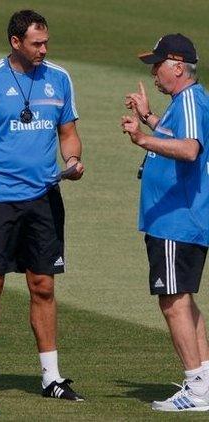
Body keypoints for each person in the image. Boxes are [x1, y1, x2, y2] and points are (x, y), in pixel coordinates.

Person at [0, 10, 85, 402]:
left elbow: (69, 134)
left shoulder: (59, 78)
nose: (43, 50)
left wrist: (71, 161)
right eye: (36, 43)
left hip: (44, 199)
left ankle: (52, 377)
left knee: (43, 286)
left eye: (46, 42)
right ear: (16, 42)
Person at [122, 33, 209, 412]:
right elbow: (179, 136)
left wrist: (141, 138)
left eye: (158, 65)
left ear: (178, 67)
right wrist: (150, 118)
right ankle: (204, 379)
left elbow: (189, 148)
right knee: (183, 302)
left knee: (174, 302)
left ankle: (196, 388)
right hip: (177, 220)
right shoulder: (184, 102)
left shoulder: (189, 99)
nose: (154, 72)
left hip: (177, 220)